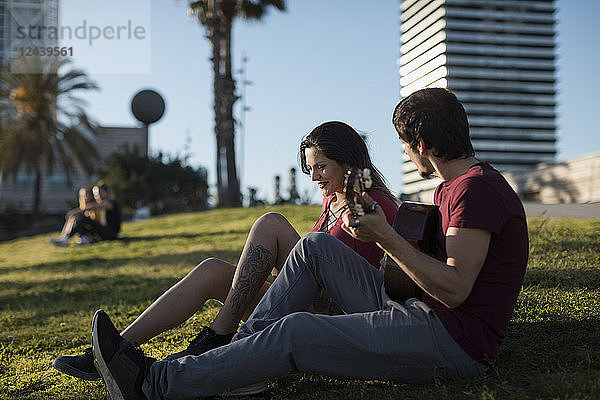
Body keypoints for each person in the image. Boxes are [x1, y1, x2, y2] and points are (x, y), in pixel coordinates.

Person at [89, 88, 529, 400]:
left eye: (405, 145)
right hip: (412, 306)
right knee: (314, 246)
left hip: (453, 341)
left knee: (296, 331)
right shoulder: (454, 187)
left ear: (423, 143)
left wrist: (386, 238)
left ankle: (154, 383)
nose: (406, 155)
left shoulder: (476, 189)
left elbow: (456, 289)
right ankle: (243, 358)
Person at [53, 121, 399, 381]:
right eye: (310, 168)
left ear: (348, 162)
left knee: (272, 223)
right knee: (213, 270)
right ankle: (112, 352)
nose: (314, 178)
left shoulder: (377, 204)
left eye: (321, 167)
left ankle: (218, 335)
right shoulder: (332, 202)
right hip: (304, 299)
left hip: (335, 317)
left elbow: (390, 282)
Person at [50, 182, 122, 246]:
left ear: (106, 192)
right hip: (104, 232)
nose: (97, 196)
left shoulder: (110, 203)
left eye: (99, 193)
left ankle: (66, 239)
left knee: (83, 218)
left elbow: (93, 206)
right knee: (80, 221)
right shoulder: (103, 204)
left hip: (111, 233)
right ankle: (72, 239)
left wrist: (75, 211)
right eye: (95, 194)